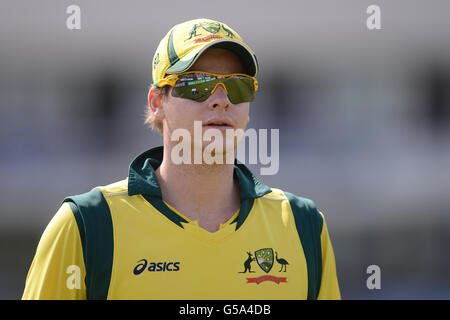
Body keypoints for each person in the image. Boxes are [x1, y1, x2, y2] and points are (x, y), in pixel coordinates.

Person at [22, 18, 340, 300]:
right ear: (157, 102)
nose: (221, 100)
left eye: (238, 86)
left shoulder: (304, 226)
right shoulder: (87, 225)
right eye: (197, 84)